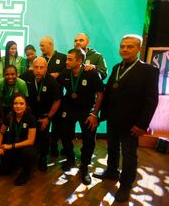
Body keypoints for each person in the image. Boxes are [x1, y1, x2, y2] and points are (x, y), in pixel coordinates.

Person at [93, 34, 159, 202]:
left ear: (139, 49)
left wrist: (142, 124)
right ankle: (112, 171)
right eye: (123, 46)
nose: (125, 49)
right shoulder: (116, 68)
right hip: (113, 120)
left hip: (132, 124)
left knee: (129, 156)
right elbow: (108, 92)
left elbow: (151, 100)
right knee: (112, 149)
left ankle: (125, 185)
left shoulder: (149, 71)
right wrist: (100, 115)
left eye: (130, 47)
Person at [56, 48, 104, 185]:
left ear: (79, 61)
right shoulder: (65, 72)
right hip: (69, 108)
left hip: (87, 110)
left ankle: (84, 166)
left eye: (70, 59)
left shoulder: (92, 73)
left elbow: (100, 93)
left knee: (89, 139)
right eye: (66, 58)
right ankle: (70, 159)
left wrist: (95, 114)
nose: (66, 61)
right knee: (65, 135)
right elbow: (56, 83)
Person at [25, 57, 61, 171]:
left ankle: (43, 158)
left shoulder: (52, 81)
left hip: (45, 115)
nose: (38, 70)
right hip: (29, 114)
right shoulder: (26, 77)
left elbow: (57, 101)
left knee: (45, 137)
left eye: (41, 67)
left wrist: (48, 118)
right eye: (36, 67)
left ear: (46, 68)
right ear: (32, 68)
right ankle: (28, 157)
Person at [0, 93, 37, 186]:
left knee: (28, 152)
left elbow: (31, 141)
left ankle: (26, 172)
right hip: (13, 146)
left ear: (26, 105)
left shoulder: (30, 118)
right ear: (12, 105)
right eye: (15, 103)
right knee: (3, 171)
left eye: (21, 103)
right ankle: (15, 164)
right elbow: (0, 132)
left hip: (25, 147)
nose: (18, 106)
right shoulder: (9, 116)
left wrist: (10, 146)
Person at [39, 36, 66, 156]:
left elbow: (68, 73)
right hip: (44, 98)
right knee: (44, 123)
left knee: (57, 124)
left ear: (50, 44)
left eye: (42, 45)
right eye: (40, 45)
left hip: (58, 96)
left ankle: (54, 146)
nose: (40, 47)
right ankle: (42, 147)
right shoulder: (40, 59)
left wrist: (59, 75)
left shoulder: (62, 57)